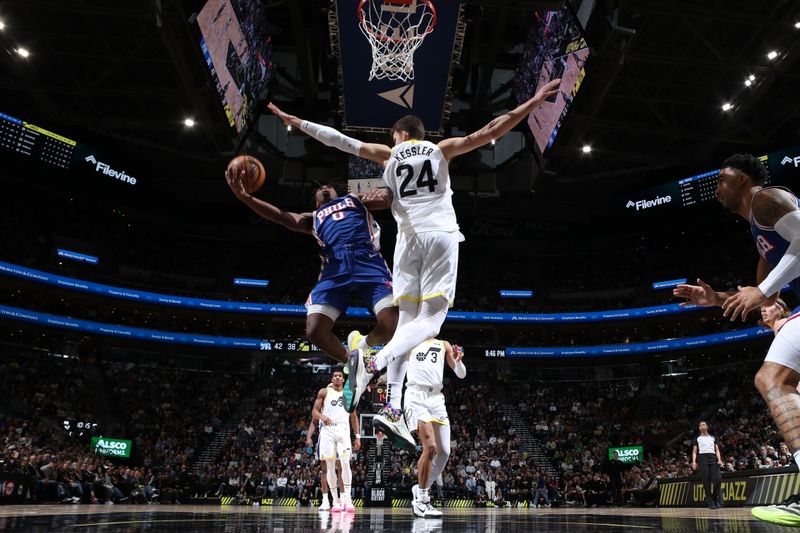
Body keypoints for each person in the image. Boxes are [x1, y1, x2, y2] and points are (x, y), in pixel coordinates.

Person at [268, 78, 561, 446]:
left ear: (401, 135)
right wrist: (532, 103)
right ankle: (372, 364)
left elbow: (337, 140)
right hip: (438, 234)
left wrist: (295, 120)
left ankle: (392, 406)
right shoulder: (441, 150)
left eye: (393, 137)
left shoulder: (389, 156)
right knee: (431, 321)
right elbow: (489, 131)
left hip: (405, 243)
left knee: (405, 323)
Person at [672, 154, 800, 524]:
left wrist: (761, 290)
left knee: (771, 379)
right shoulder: (760, 231)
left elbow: (766, 289)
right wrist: (716, 299)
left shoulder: (766, 199)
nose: (716, 190)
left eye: (721, 181)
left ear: (743, 180)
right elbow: (768, 296)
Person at [225, 170, 398, 377]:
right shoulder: (313, 217)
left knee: (392, 327)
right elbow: (281, 217)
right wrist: (246, 197)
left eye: (327, 186)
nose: (324, 188)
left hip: (367, 259)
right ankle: (353, 363)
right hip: (335, 266)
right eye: (319, 189)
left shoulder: (354, 199)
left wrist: (386, 193)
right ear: (315, 202)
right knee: (315, 331)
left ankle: (362, 344)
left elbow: (391, 200)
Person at [403, 339, 467, 518]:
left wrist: (459, 360)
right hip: (416, 395)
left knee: (445, 451)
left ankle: (421, 488)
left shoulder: (444, 345)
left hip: (436, 399)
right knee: (430, 447)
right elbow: (396, 365)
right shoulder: (411, 339)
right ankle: (422, 500)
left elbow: (461, 374)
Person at [312, 369, 361, 512]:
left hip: (343, 430)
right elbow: (314, 412)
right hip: (328, 431)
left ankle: (348, 499)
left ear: (343, 379)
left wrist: (357, 436)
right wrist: (322, 417)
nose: (337, 378)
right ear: (332, 378)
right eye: (335, 376)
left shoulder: (349, 394)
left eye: (340, 376)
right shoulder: (324, 392)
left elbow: (354, 417)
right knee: (330, 465)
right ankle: (336, 501)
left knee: (345, 463)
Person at [307, 391, 344, 511]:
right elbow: (313, 421)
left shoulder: (340, 403)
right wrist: (309, 437)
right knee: (324, 470)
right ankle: (325, 500)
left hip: (338, 436)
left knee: (340, 468)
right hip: (325, 438)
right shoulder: (321, 405)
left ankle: (342, 499)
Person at [691, 421, 724, 509]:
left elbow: (717, 450)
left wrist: (719, 460)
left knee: (718, 479)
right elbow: (694, 452)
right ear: (699, 428)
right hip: (702, 459)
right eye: (700, 425)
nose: (702, 426)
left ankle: (715, 498)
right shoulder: (696, 438)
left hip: (713, 458)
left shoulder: (713, 437)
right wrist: (694, 462)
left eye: (703, 425)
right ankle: (710, 502)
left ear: (707, 427)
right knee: (706, 481)